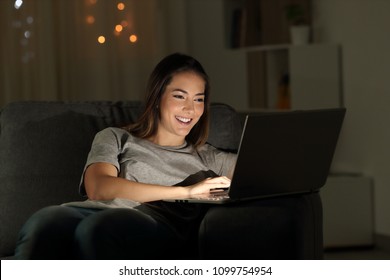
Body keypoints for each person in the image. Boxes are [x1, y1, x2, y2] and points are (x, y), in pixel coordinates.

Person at [14, 53, 237, 260]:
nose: (190, 109)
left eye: (198, 99)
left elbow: (262, 170)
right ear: (158, 97)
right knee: (45, 222)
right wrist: (186, 192)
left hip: (150, 224)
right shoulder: (115, 137)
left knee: (98, 229)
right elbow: (99, 187)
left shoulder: (209, 157)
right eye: (180, 96)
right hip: (92, 209)